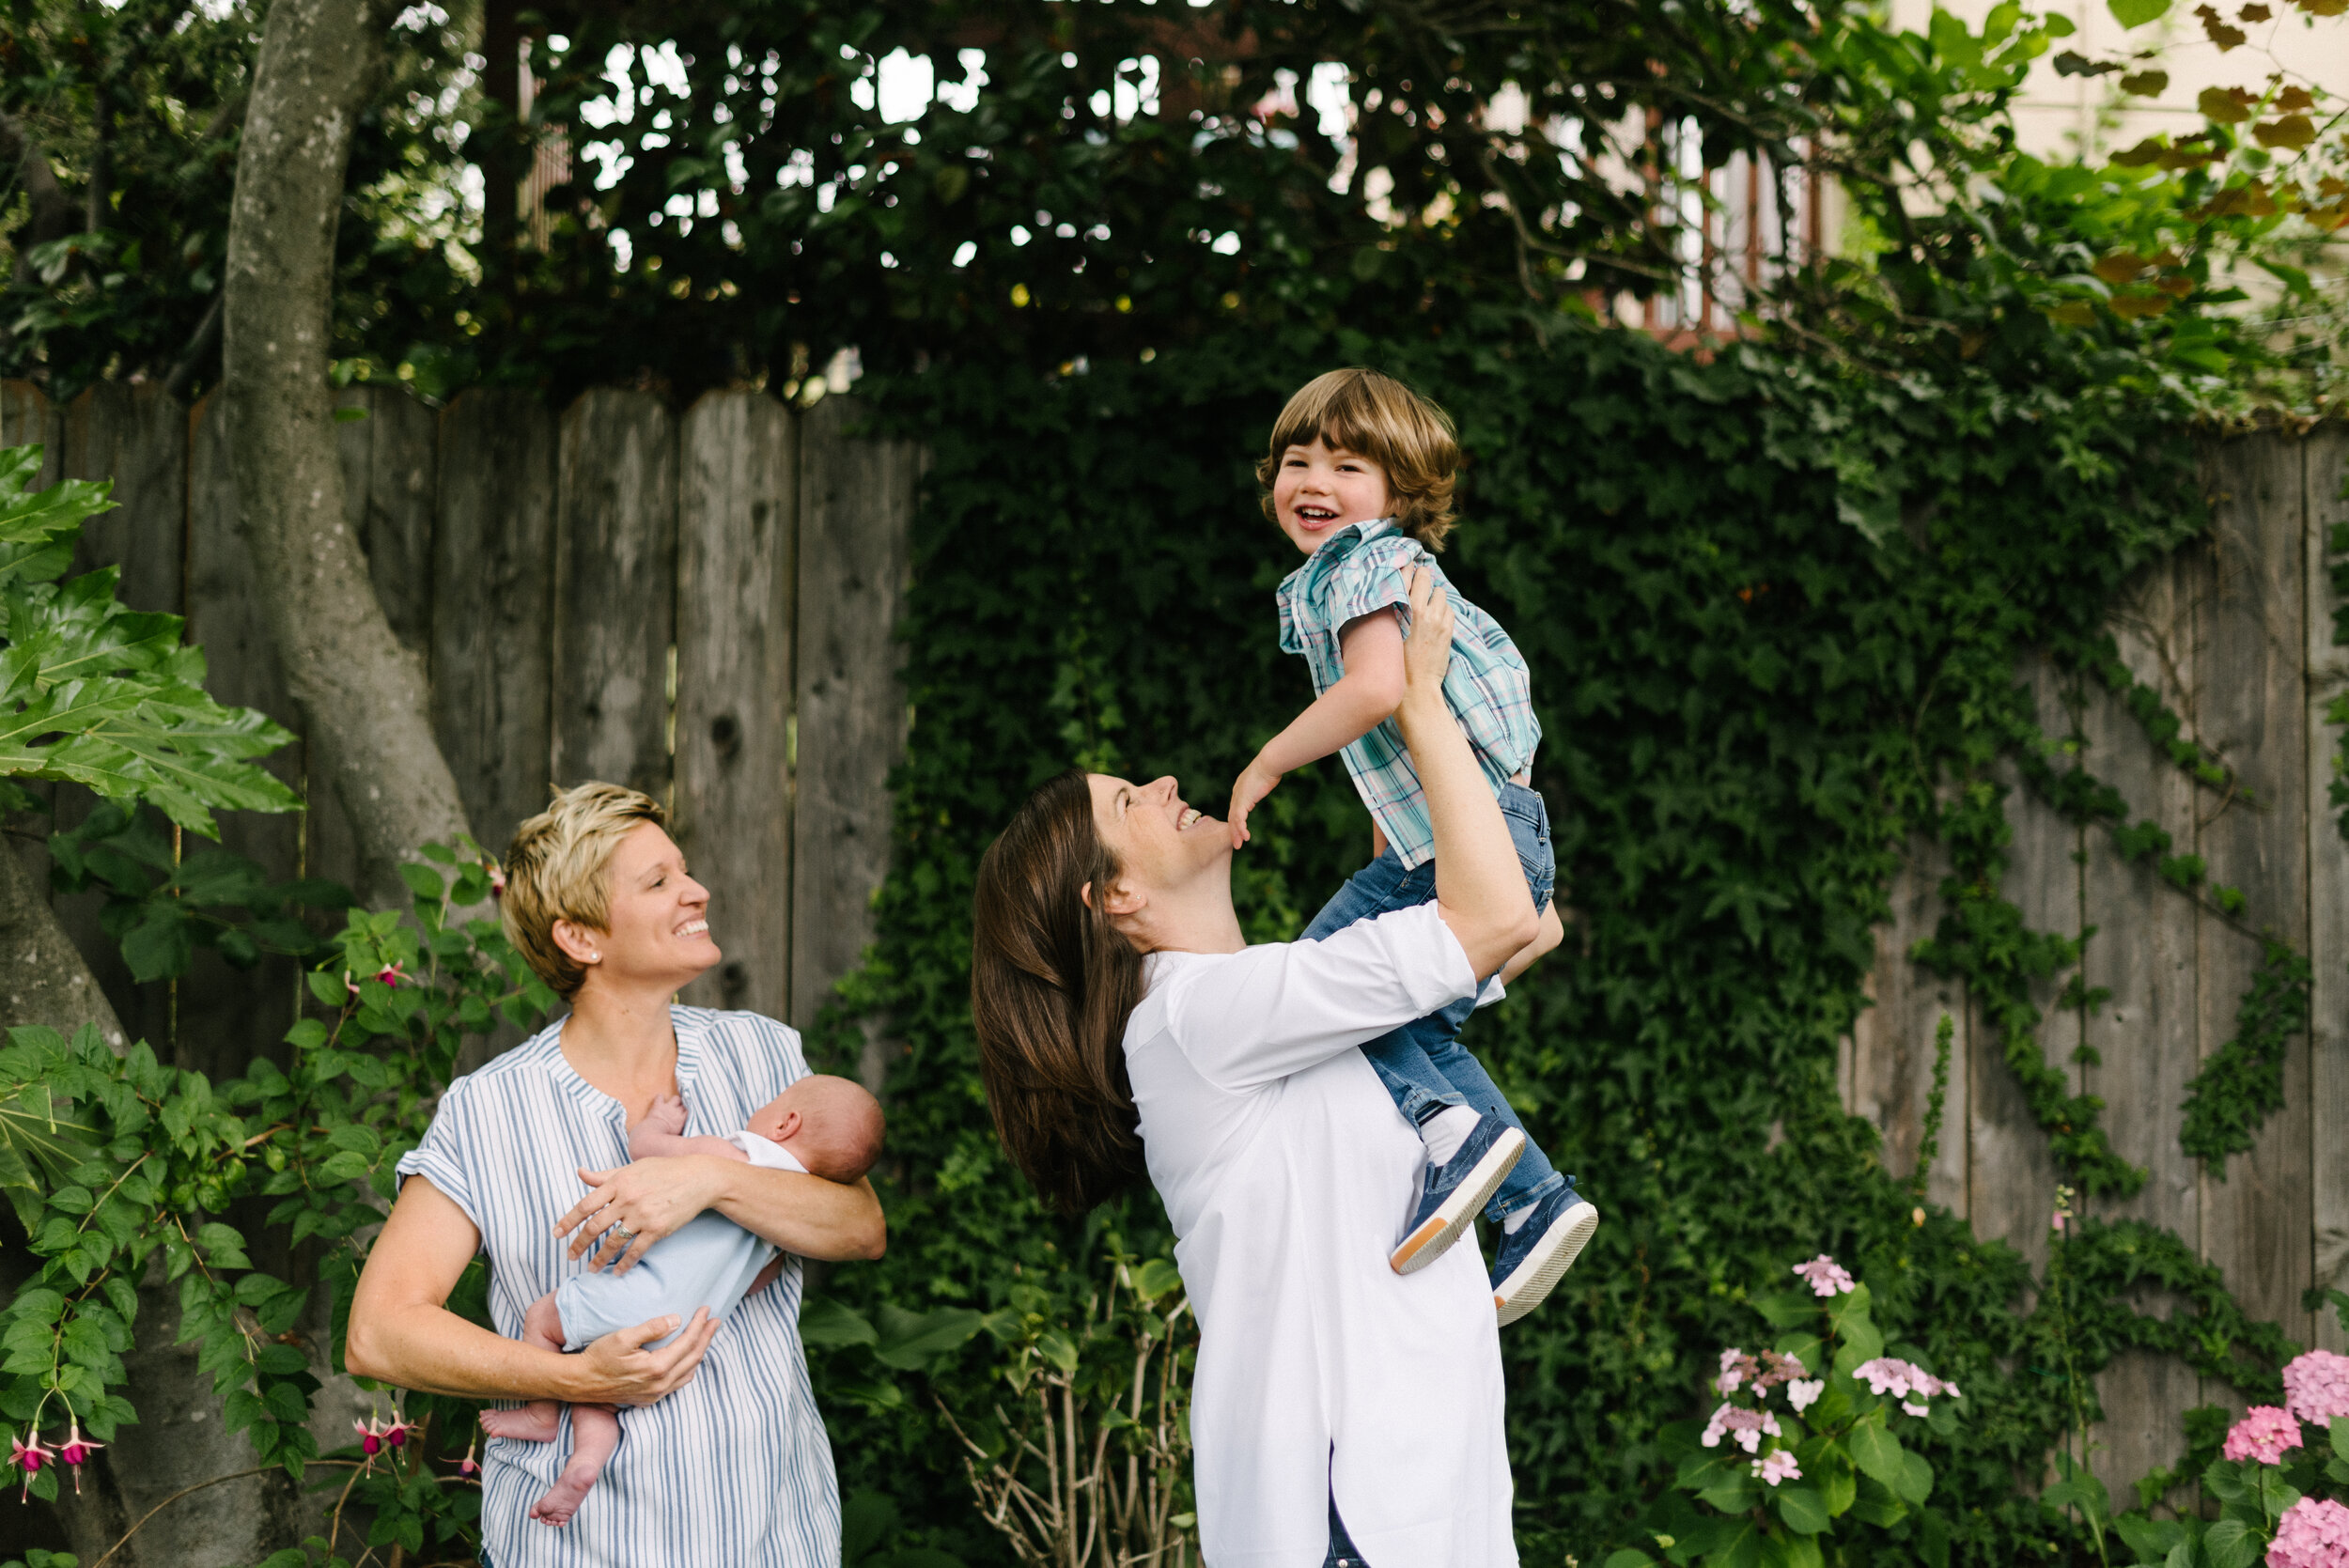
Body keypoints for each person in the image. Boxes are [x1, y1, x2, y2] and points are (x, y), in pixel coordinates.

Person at [972, 569, 1538, 1567]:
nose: (1160, 785)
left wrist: (1421, 738)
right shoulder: (1191, 1018)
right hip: (1350, 1504)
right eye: (1126, 800)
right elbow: (1489, 919)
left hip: (1417, 1492)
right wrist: (1413, 704)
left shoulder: (1270, 1005)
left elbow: (1504, 914)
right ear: (1111, 896)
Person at [345, 782, 886, 1567]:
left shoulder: (764, 1055)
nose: (696, 889)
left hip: (771, 1533)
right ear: (581, 937)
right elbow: (378, 1330)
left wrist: (709, 1182)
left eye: (684, 870)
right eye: (659, 881)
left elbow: (861, 1226)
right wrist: (578, 1377)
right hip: (581, 1548)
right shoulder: (489, 1108)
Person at [1226, 366, 1597, 1321]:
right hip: (1485, 836)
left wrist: (1264, 763)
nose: (1313, 479)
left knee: (1314, 984)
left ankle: (1452, 1132)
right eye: (1297, 459)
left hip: (1459, 846)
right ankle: (1531, 1199)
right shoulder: (1370, 569)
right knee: (1394, 1014)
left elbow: (1376, 689)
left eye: (1348, 464)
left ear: (1399, 493)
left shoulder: (1366, 564)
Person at [478, 1076, 886, 1526]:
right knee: (603, 1395)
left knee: (543, 1318)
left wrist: (658, 1123)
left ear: (786, 1123)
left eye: (774, 1103)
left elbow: (647, 1151)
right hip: (684, 1334)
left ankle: (540, 1414)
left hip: (636, 1296)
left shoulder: (733, 1157)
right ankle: (585, 1463)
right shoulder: (784, 1221)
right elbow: (755, 1281)